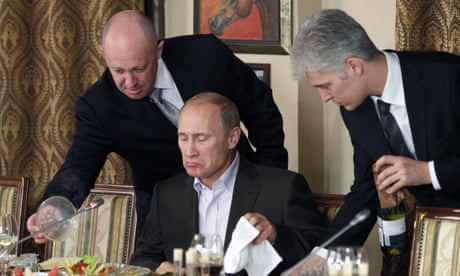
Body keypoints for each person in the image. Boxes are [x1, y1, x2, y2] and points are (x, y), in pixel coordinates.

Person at [26, 10, 288, 242]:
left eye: (139, 68)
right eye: (118, 71)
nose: (130, 82)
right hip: (165, 219)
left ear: (158, 50)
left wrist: (268, 182)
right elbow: (77, 169)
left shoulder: (205, 55)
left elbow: (261, 110)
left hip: (240, 196)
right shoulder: (98, 106)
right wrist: (53, 208)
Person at [289, 8, 460, 275]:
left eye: (325, 85)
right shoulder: (354, 110)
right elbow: (365, 191)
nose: (324, 97)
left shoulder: (448, 77)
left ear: (354, 66)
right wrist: (320, 257)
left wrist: (428, 172)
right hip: (434, 247)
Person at [129, 92, 327, 275]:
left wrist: (275, 234)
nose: (190, 151)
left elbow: (323, 250)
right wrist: (167, 269)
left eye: (201, 138)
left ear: (232, 138)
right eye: (183, 138)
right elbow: (143, 258)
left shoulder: (283, 188)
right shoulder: (167, 193)